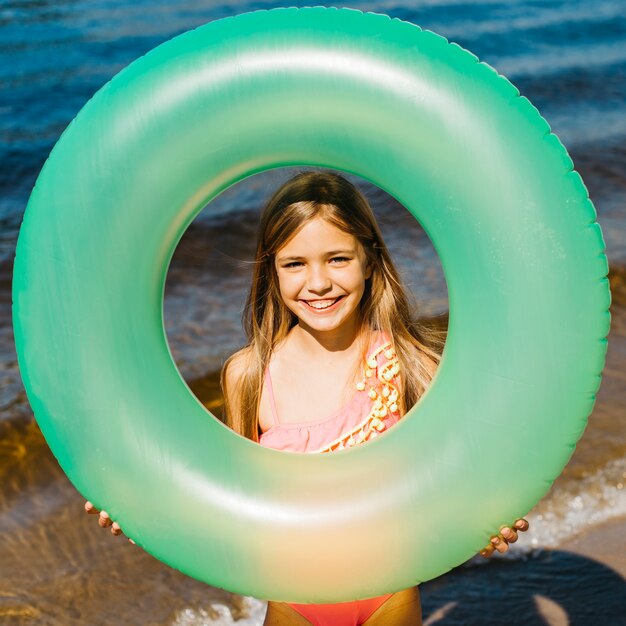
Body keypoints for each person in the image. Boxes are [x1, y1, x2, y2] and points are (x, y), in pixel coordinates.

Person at [85, 170, 529, 625]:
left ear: (370, 260)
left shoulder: (409, 363)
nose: (317, 284)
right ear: (271, 271)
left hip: (391, 595)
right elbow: (233, 501)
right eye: (294, 264)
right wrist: (141, 512)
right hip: (295, 603)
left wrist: (488, 520)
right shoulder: (250, 375)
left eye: (338, 259)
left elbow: (454, 472)